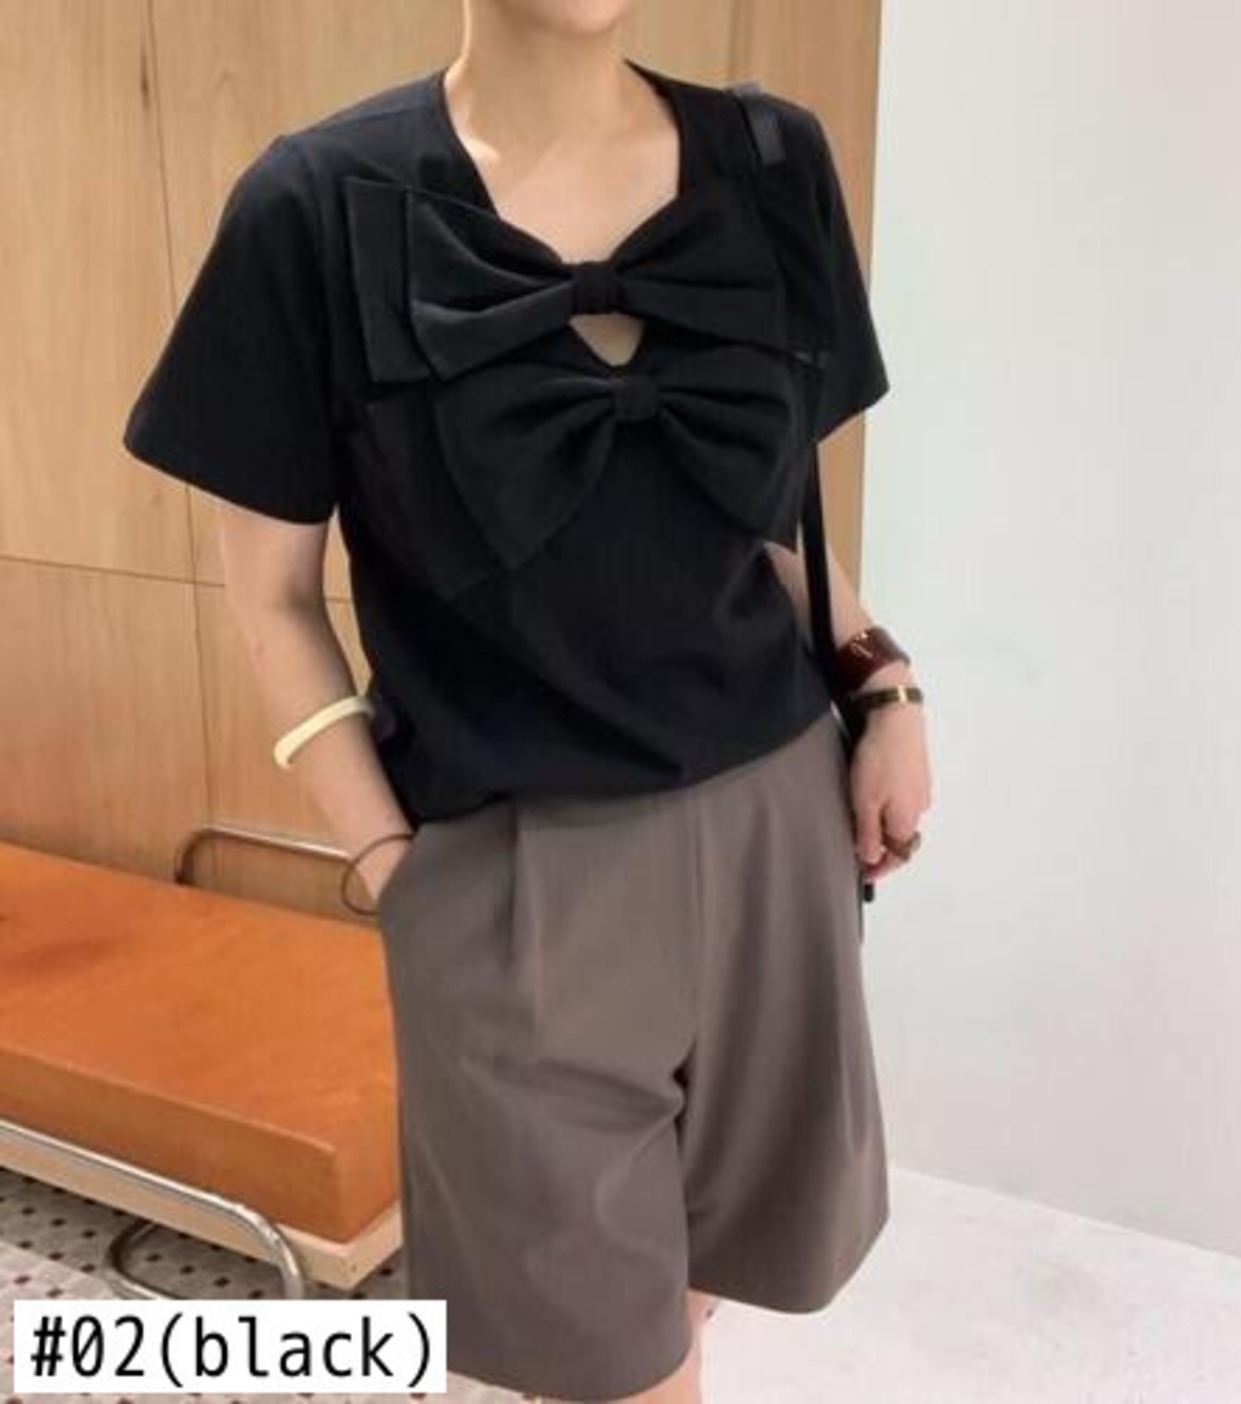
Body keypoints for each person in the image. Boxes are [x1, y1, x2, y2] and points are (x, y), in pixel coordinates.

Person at [121, 2, 933, 1400]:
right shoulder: (312, 205)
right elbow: (271, 599)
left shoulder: (770, 159)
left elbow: (766, 507)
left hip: (775, 827)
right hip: (513, 871)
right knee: (599, 1364)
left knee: (692, 1293)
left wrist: (886, 683)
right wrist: (395, 867)